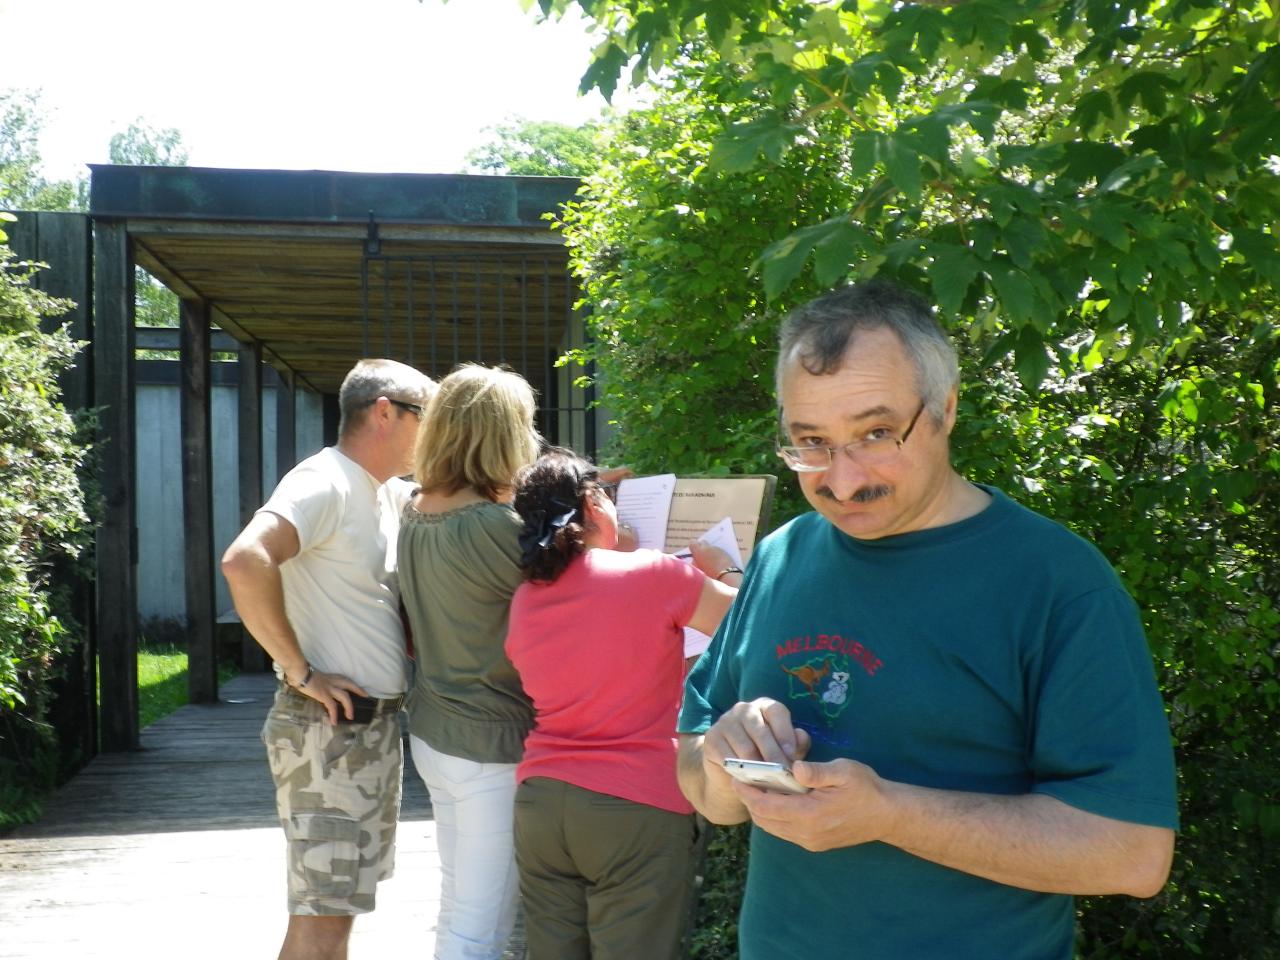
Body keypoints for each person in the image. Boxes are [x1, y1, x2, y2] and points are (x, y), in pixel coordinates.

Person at [676, 280, 1179, 960]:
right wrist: (720, 763)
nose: (843, 481)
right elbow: (706, 788)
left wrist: (889, 814)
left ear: (945, 409)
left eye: (876, 434)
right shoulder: (780, 556)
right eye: (811, 442)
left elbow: (1133, 852)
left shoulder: (1056, 583)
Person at [221, 358, 436, 960]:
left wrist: (582, 488)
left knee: (336, 914)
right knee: (321, 919)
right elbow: (244, 560)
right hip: (328, 732)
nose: (437, 430)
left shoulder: (383, 490)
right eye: (428, 415)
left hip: (367, 730)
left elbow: (475, 489)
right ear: (385, 412)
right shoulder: (324, 481)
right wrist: (301, 670)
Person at [504, 448, 741, 960]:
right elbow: (747, 627)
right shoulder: (653, 574)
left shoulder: (526, 597)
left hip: (541, 802)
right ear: (594, 503)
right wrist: (725, 570)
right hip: (635, 803)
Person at [397, 363, 542, 960]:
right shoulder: (493, 526)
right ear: (503, 433)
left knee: (458, 908)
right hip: (492, 743)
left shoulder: (416, 507)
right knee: (483, 931)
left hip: (436, 731)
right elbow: (572, 599)